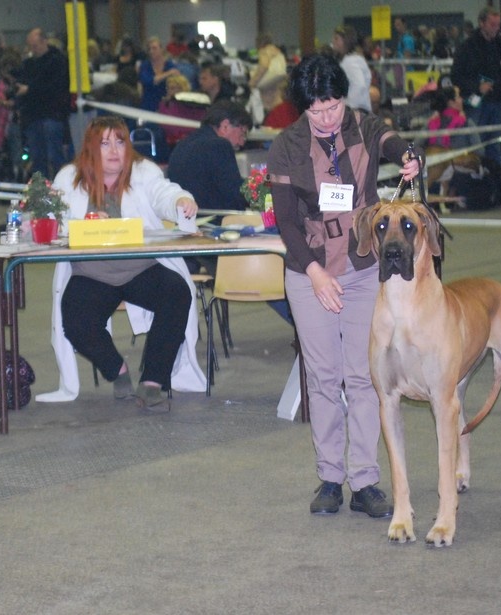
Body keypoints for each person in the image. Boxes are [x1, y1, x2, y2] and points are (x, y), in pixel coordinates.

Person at [267, 52, 420, 518]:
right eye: (316, 110)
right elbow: (288, 225)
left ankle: (366, 480)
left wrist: (408, 157)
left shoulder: (363, 127)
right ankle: (330, 478)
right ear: (302, 108)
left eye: (332, 106)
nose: (326, 117)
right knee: (323, 377)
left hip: (359, 269)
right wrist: (313, 273)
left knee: (363, 375)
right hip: (308, 270)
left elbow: (393, 143)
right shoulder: (287, 146)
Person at [40, 116, 207, 407]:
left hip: (140, 268)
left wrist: (180, 200)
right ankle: (116, 370)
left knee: (178, 293)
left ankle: (154, 379)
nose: (114, 150)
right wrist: (87, 222)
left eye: (120, 142)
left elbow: (163, 193)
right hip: (91, 274)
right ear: (91, 148)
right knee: (75, 320)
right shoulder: (68, 177)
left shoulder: (144, 171)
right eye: (105, 143)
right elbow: (54, 220)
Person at [451, 6, 501, 196]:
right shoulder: (467, 47)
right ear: (482, 23)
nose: (496, 28)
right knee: (481, 148)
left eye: (498, 25)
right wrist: (477, 86)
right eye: (492, 24)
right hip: (478, 104)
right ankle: (488, 188)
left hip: (500, 102)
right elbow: (456, 76)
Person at [167, 100, 251, 212]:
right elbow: (235, 195)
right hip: (215, 222)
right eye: (242, 134)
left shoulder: (183, 143)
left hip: (185, 220)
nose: (242, 143)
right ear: (225, 126)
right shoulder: (219, 145)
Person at [16, 28, 72, 179]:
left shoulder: (58, 61)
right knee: (37, 159)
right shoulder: (27, 64)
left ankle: (61, 189)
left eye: (35, 45)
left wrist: (29, 90)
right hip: (33, 116)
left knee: (55, 157)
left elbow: (56, 87)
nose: (32, 49)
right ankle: (41, 194)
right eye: (30, 46)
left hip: (52, 115)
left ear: (44, 41)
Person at [331, 25, 372, 112]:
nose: (333, 42)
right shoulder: (355, 59)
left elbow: (359, 85)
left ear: (345, 41)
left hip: (356, 111)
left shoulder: (350, 62)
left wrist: (348, 106)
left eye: (336, 38)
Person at [248, 33, 287, 114]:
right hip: (280, 79)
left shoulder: (264, 51)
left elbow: (264, 66)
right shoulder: (278, 51)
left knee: (261, 96)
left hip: (268, 80)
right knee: (276, 100)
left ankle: (266, 118)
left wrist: (252, 82)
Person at [138, 36, 179, 112]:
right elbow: (148, 81)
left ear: (161, 49)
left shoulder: (170, 65)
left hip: (167, 105)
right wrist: (168, 73)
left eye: (154, 48)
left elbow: (177, 83)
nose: (151, 51)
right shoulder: (144, 66)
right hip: (148, 105)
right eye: (149, 49)